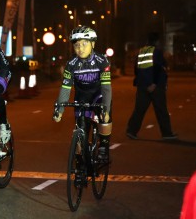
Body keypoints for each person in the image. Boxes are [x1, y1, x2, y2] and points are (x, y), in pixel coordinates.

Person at [52, 26, 112, 162]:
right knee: (81, 129)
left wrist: (106, 109)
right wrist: (60, 110)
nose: (80, 48)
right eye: (77, 45)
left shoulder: (102, 61)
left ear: (93, 44)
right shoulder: (71, 64)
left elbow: (106, 88)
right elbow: (65, 88)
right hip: (82, 97)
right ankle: (81, 160)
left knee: (105, 115)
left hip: (98, 95)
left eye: (84, 44)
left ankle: (103, 146)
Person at [126, 32, 177, 140]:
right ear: (157, 41)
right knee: (161, 110)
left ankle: (131, 131)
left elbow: (136, 69)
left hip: (142, 85)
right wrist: (154, 83)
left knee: (139, 109)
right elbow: (158, 68)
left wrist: (143, 81)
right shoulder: (156, 52)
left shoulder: (141, 51)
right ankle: (167, 133)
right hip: (155, 86)